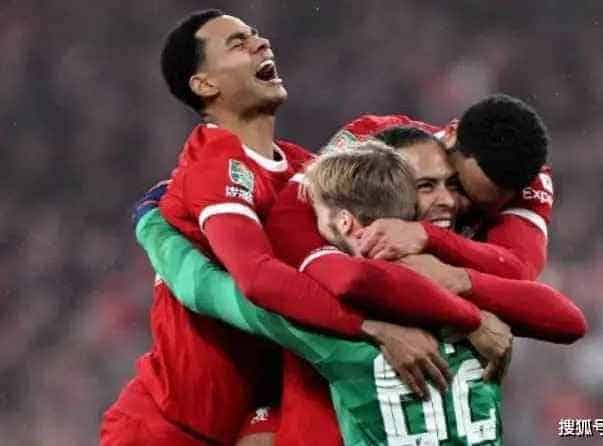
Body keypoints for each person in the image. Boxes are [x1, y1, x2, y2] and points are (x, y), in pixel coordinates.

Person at [102, 10, 496, 446]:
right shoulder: (215, 165)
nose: (260, 43)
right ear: (205, 84)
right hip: (170, 426)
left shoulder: (299, 168)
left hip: (257, 413)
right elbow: (257, 278)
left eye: (256, 35)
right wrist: (370, 328)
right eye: (237, 43)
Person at [133, 142, 584, 445]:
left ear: (345, 222)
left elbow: (205, 288)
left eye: (319, 218)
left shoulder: (333, 331)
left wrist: (150, 221)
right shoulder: (468, 296)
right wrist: (474, 314)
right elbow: (568, 320)